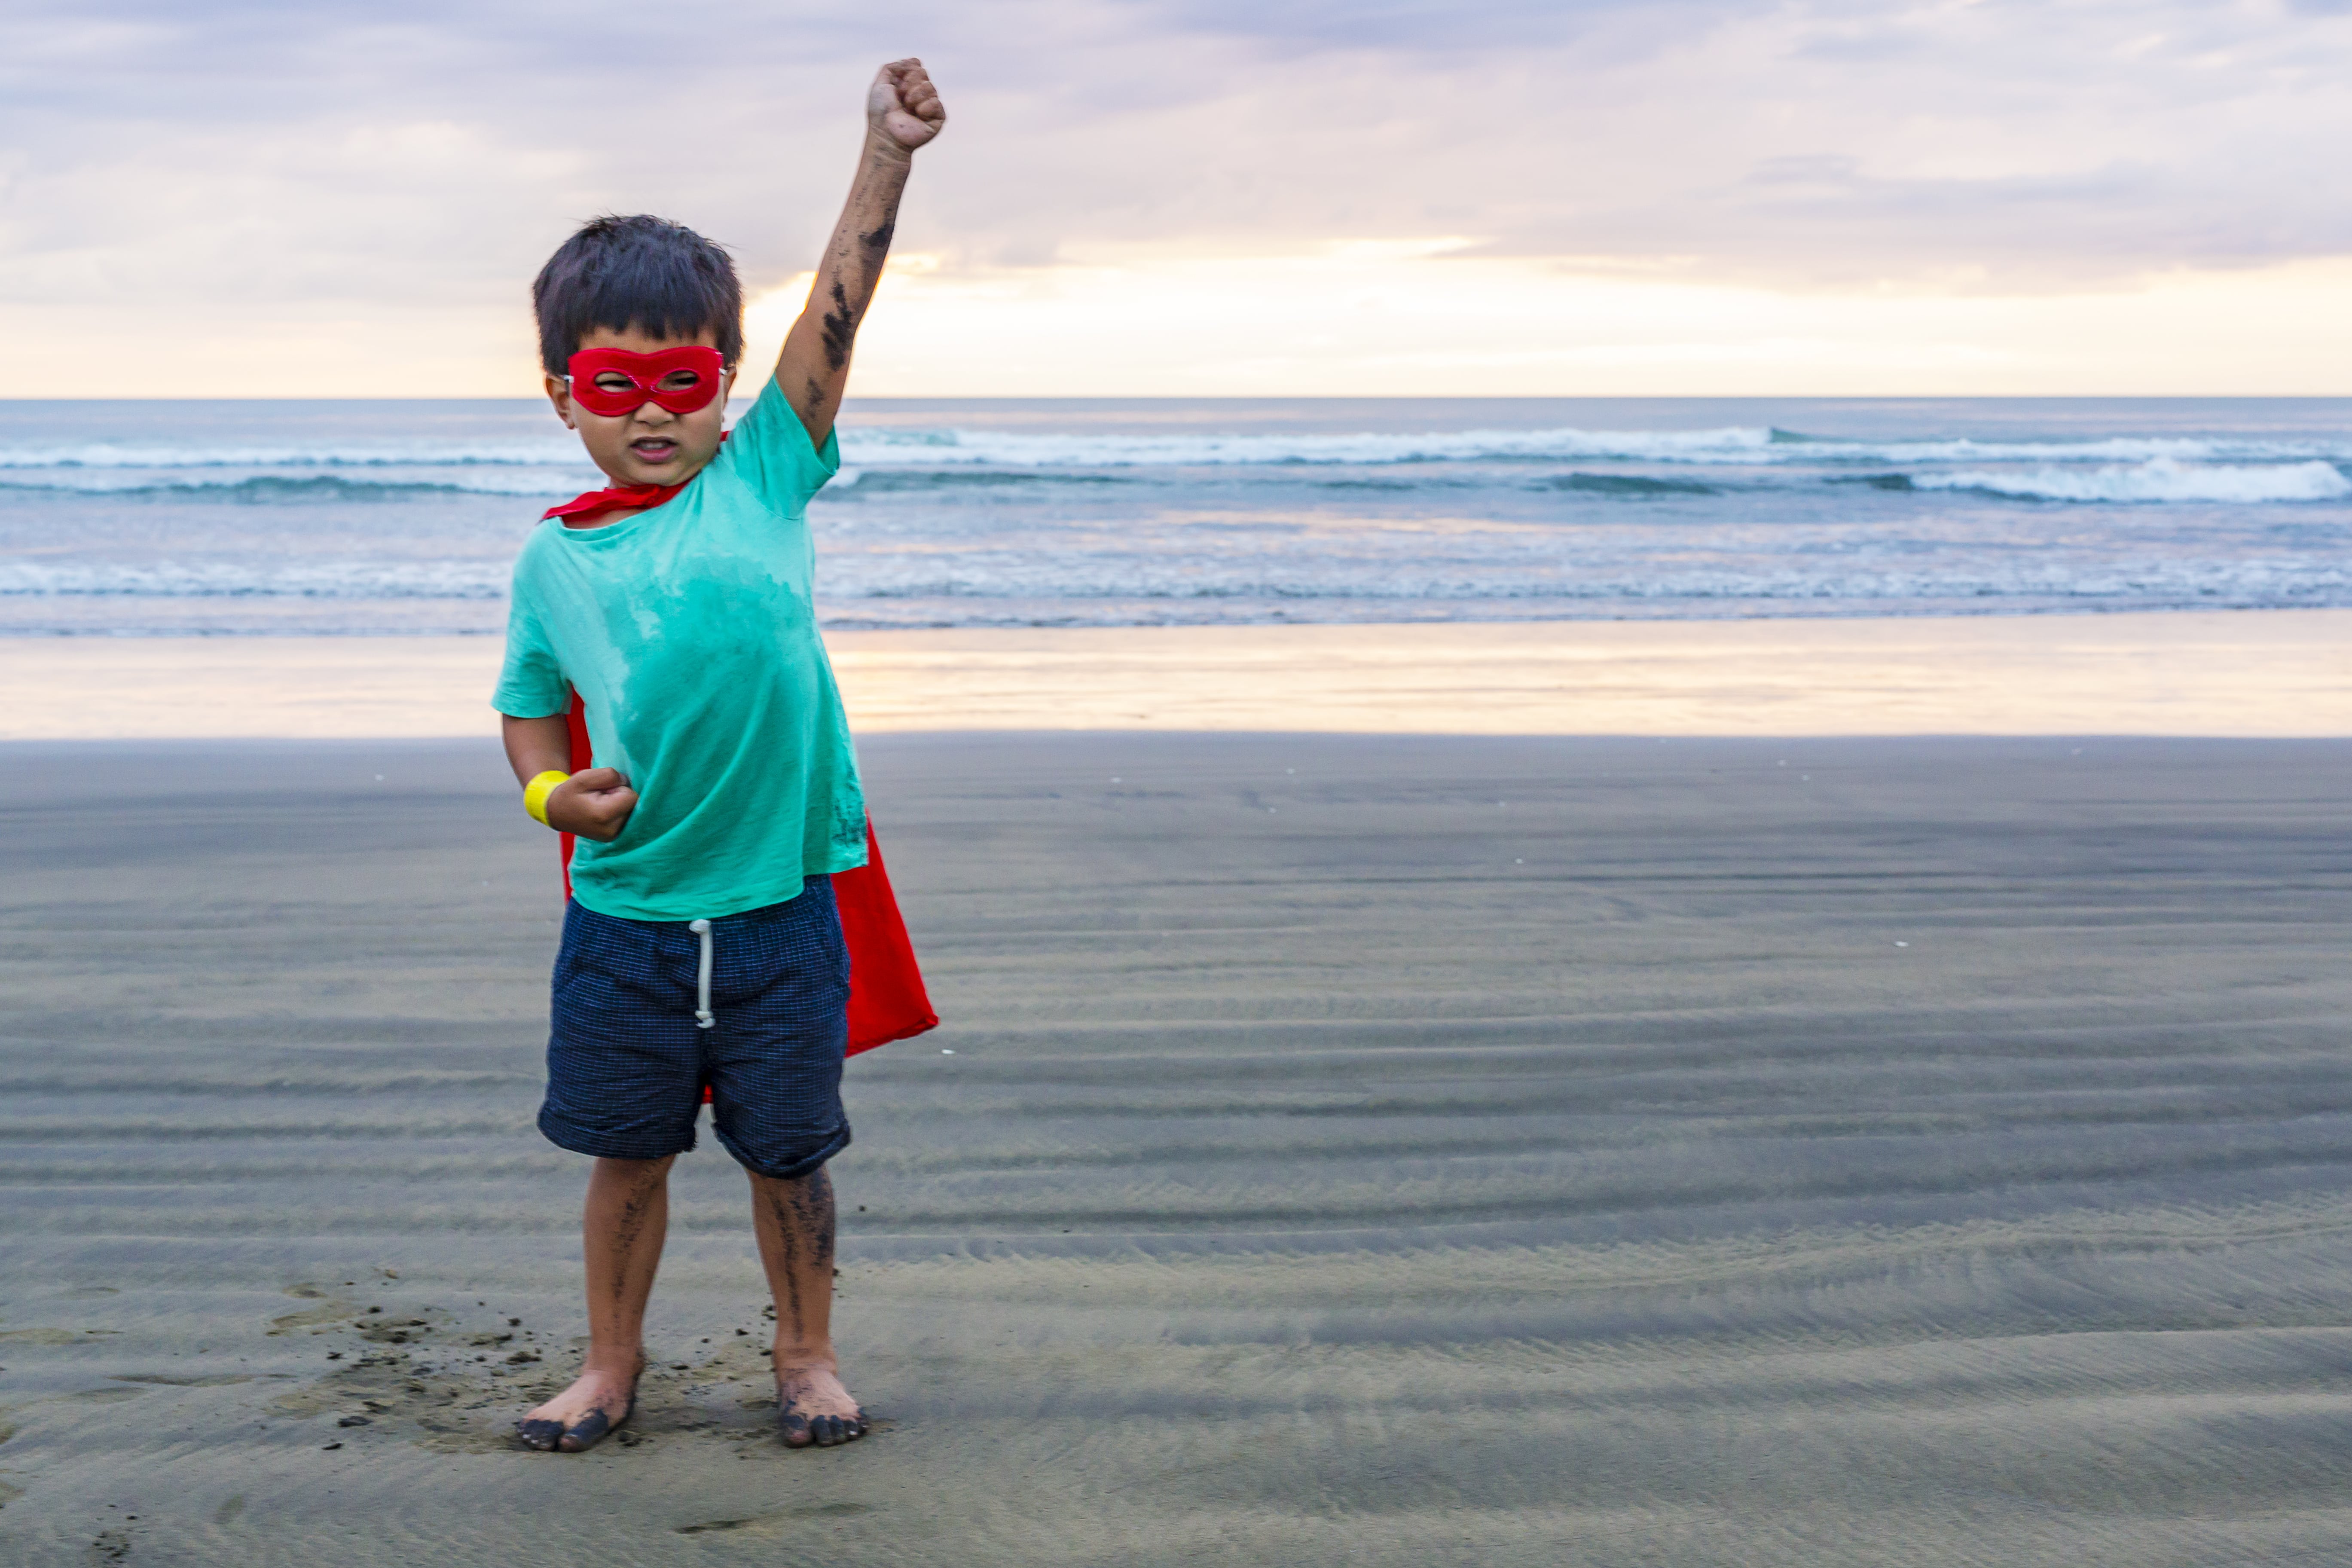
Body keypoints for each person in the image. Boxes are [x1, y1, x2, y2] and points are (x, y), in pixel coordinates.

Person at [491, 58, 946, 1454]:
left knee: (791, 1152)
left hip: (777, 915)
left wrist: (885, 156)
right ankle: (609, 1366)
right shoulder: (554, 558)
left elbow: (836, 312)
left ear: (724, 385)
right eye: (613, 381)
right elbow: (525, 704)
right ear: (560, 391)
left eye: (681, 379)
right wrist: (552, 791)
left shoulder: (766, 472)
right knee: (626, 1156)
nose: (650, 409)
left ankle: (804, 1356)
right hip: (625, 921)